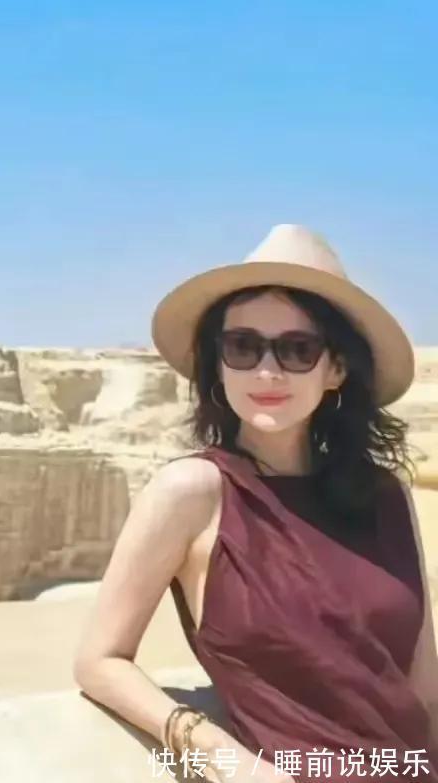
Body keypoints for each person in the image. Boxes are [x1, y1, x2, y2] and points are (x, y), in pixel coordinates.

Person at [72, 224, 438, 783]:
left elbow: (423, 690)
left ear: (336, 369)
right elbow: (99, 661)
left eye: (297, 350)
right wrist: (219, 753)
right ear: (218, 364)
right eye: (243, 347)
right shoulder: (191, 493)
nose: (267, 371)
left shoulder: (386, 494)